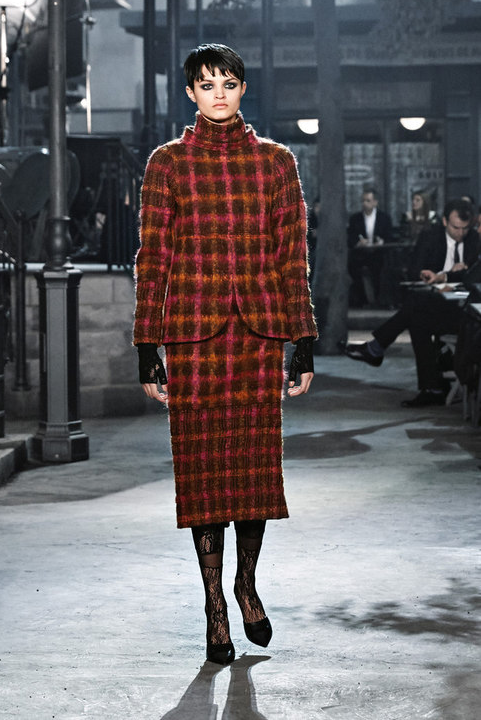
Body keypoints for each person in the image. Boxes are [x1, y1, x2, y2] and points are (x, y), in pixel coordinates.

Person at [133, 44, 318, 666]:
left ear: (243, 90)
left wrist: (303, 340)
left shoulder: (276, 162)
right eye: (207, 84)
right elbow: (153, 259)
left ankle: (246, 584)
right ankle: (215, 606)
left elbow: (292, 256)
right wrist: (147, 345)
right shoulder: (167, 164)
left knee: (253, 475)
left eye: (229, 83)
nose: (218, 93)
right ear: (190, 92)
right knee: (205, 476)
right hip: (192, 339)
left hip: (259, 337)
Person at [344, 198, 480, 406]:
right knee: (417, 317)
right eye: (456, 228)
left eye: (465, 228)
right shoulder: (430, 237)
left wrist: (450, 275)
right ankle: (431, 388)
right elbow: (414, 269)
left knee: (416, 311)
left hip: (464, 314)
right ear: (444, 221)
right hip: (435, 304)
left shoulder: (474, 240)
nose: (460, 233)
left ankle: (377, 348)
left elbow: (472, 277)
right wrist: (427, 274)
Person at [347, 188, 394, 306]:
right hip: (360, 253)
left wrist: (381, 242)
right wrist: (359, 243)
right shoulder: (355, 218)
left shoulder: (384, 218)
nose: (364, 203)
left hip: (379, 253)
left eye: (368, 200)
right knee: (353, 267)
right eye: (363, 201)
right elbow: (351, 237)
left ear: (375, 202)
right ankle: (361, 300)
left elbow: (389, 236)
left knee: (381, 268)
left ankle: (379, 299)